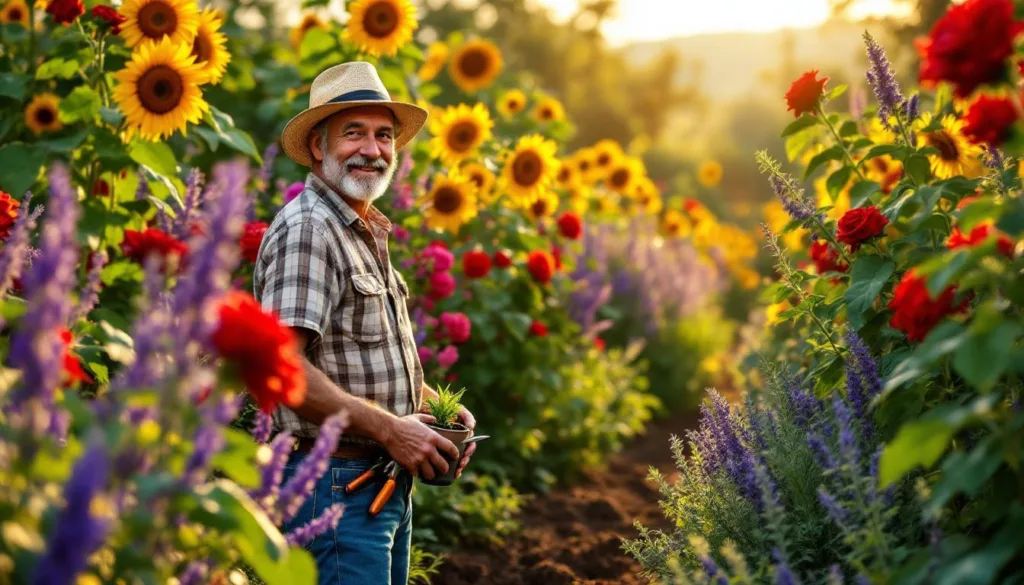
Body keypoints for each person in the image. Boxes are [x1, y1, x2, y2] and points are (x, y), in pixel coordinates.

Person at [254, 61, 477, 585]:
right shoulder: (311, 230)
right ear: (318, 146)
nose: (372, 150)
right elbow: (282, 367)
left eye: (384, 135)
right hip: (331, 486)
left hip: (377, 481)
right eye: (353, 133)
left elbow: (353, 355)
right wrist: (391, 429)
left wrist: (434, 409)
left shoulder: (358, 229)